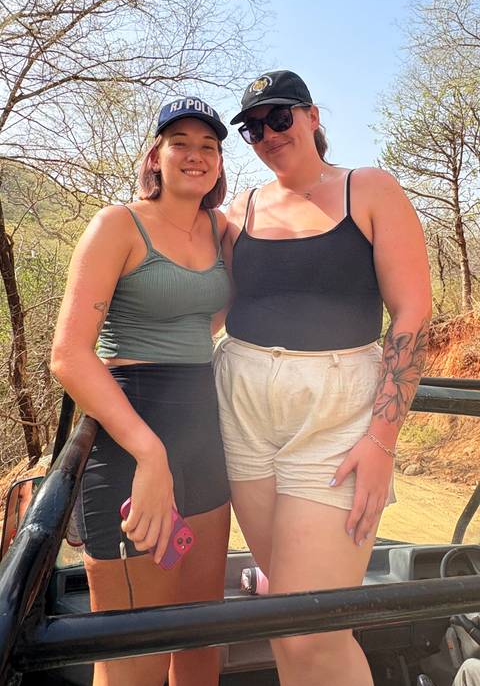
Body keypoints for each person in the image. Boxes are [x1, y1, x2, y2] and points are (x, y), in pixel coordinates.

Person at [214, 70, 432, 686]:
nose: (267, 134)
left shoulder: (369, 189)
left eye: (279, 117)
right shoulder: (240, 211)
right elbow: (207, 311)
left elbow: (412, 313)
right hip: (244, 409)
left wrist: (382, 439)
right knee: (287, 614)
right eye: (253, 127)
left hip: (337, 415)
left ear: (312, 117)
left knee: (311, 629)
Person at [51, 97, 231, 686]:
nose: (195, 155)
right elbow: (69, 356)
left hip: (204, 434)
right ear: (156, 153)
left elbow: (205, 318)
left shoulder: (221, 230)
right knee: (136, 653)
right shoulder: (116, 224)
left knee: (200, 637)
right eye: (180, 141)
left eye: (209, 145)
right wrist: (150, 455)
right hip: (131, 434)